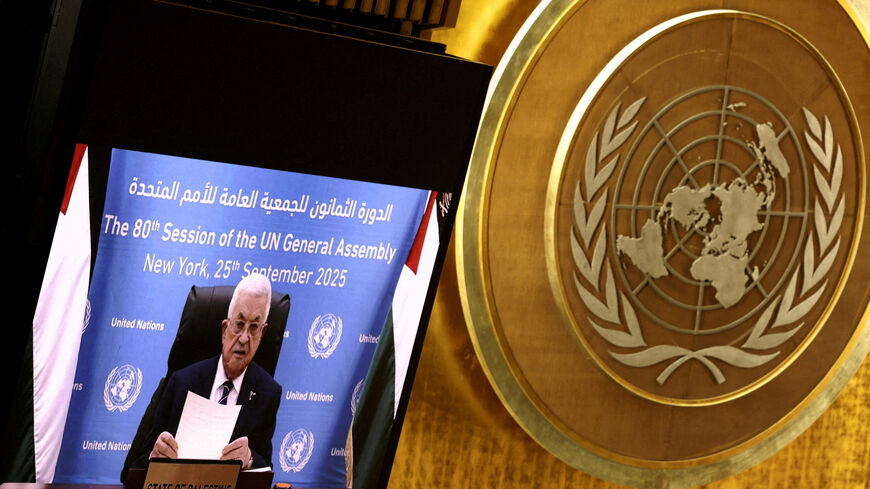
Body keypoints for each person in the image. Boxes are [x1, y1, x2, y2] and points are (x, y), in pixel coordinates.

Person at [134, 273, 282, 469]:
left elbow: (265, 467)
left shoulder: (267, 393)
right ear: (224, 329)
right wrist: (155, 455)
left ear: (262, 334)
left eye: (254, 327)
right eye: (239, 325)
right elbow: (136, 466)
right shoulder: (182, 382)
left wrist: (249, 458)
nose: (244, 338)